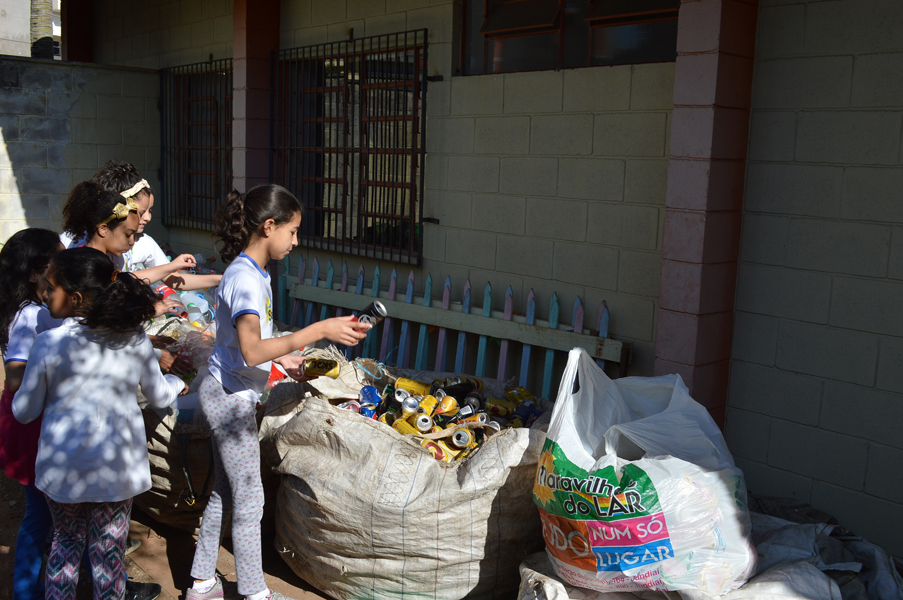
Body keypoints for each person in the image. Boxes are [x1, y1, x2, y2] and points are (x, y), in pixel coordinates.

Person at [186, 185, 370, 600]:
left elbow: (244, 345)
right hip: (230, 402)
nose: (297, 241)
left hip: (226, 389)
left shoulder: (250, 273)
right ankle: (254, 593)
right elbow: (251, 349)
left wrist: (282, 360)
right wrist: (318, 330)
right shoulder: (247, 281)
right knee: (250, 499)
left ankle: (201, 582)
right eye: (293, 231)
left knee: (226, 490)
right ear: (269, 226)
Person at [11, 247, 188, 600]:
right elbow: (159, 396)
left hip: (64, 473)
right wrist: (178, 384)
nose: (46, 294)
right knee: (109, 557)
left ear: (76, 298)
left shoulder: (48, 344)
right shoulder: (135, 339)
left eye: (52, 288)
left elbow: (24, 412)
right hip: (116, 473)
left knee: (64, 544)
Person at [0, 228, 63, 600]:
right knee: (40, 515)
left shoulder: (30, 310)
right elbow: (15, 377)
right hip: (29, 422)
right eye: (57, 262)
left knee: (46, 513)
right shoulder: (29, 316)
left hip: (29, 418)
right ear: (34, 273)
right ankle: (27, 592)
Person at [60, 180, 196, 313]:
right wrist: (151, 310)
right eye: (127, 234)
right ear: (103, 229)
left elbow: (128, 280)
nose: (132, 242)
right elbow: (107, 315)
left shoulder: (103, 262)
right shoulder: (86, 265)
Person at [90, 160, 222, 290]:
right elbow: (116, 281)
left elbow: (173, 278)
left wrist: (219, 279)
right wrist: (169, 267)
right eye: (141, 213)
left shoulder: (143, 241)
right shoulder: (83, 248)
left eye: (150, 210)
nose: (148, 218)